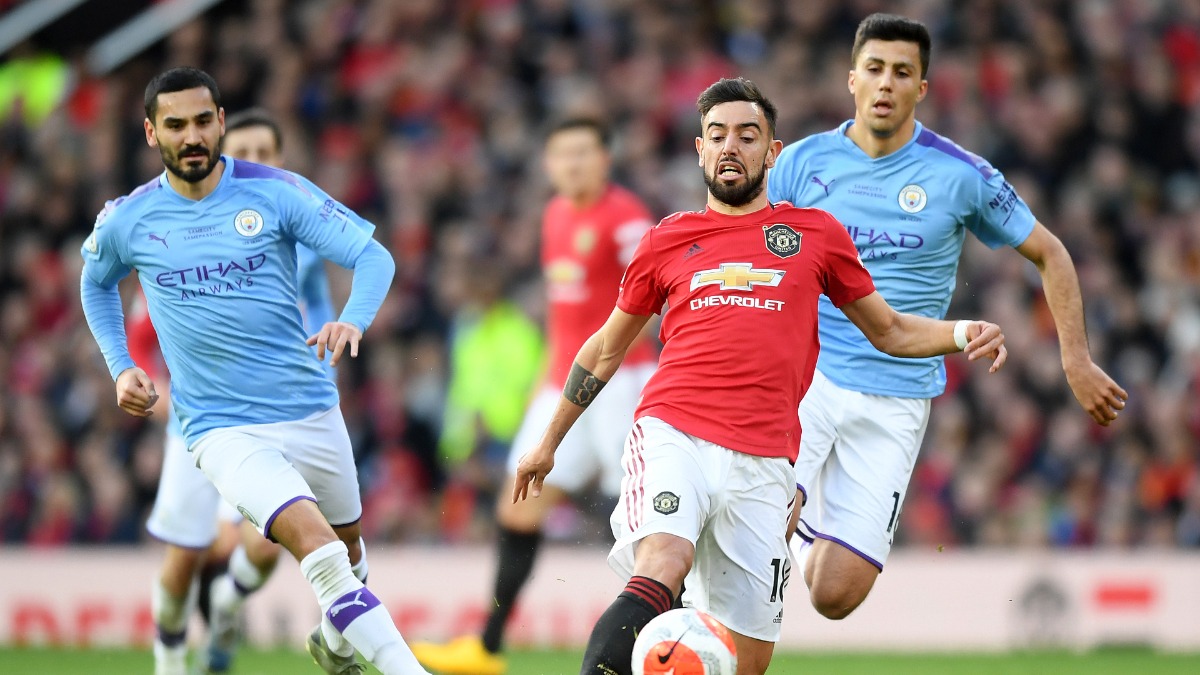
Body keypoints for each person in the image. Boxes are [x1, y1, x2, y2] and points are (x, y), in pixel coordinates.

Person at [512, 77, 1007, 675]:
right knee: (664, 560)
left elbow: (890, 331)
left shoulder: (817, 235)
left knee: (747, 657)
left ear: (773, 152)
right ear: (700, 150)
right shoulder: (666, 240)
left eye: (747, 136)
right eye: (717, 135)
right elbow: (604, 350)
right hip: (675, 430)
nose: (731, 146)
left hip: (767, 460)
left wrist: (961, 333)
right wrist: (548, 442)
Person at [765, 13, 1130, 623]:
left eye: (901, 72)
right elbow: (745, 248)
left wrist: (1076, 360)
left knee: (834, 596)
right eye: (874, 69)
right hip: (809, 379)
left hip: (899, 396)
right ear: (852, 79)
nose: (886, 83)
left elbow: (1051, 253)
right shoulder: (799, 165)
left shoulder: (961, 175)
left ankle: (805, 524)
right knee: (761, 522)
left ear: (922, 87)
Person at [79, 67, 429, 675]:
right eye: (175, 125)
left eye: (201, 121)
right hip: (220, 428)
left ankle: (335, 645)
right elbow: (95, 283)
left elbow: (373, 256)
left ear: (220, 122)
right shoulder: (128, 219)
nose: (191, 136)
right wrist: (121, 366)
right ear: (151, 133)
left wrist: (352, 320)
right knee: (319, 552)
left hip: (309, 407)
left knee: (349, 555)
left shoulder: (277, 192)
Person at [411, 119, 657, 675]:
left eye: (583, 153)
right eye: (561, 154)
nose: (572, 164)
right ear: (548, 164)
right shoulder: (555, 215)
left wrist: (616, 366)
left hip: (621, 381)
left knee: (644, 516)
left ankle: (673, 637)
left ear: (604, 159)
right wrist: (549, 378)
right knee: (518, 505)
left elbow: (653, 300)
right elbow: (562, 311)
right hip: (564, 383)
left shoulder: (626, 218)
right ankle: (487, 648)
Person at [134, 107, 339, 674]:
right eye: (242, 152)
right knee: (183, 558)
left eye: (264, 154)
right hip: (197, 421)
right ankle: (170, 660)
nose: (253, 163)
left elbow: (320, 317)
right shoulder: (178, 233)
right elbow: (140, 331)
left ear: (281, 160)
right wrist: (143, 380)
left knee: (266, 540)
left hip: (271, 415)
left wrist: (320, 378)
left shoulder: (299, 236)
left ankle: (227, 605)